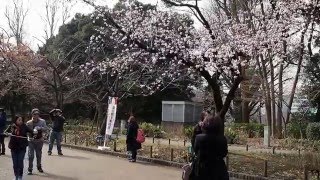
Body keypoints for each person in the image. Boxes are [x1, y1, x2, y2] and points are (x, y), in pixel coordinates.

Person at [192, 115, 229, 180]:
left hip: (202, 169)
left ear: (204, 125)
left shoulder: (199, 138)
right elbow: (224, 153)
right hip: (218, 169)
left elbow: (195, 150)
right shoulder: (222, 139)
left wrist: (197, 128)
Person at [5, 115, 33, 180]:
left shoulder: (25, 126)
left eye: (21, 120)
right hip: (13, 147)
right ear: (16, 120)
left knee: (20, 162)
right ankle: (16, 176)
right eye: (19, 120)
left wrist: (32, 135)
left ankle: (20, 176)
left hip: (22, 148)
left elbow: (32, 132)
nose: (20, 121)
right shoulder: (12, 126)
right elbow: (5, 132)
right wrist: (7, 133)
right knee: (15, 163)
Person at [26, 108, 48, 175]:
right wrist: (28, 137)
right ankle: (30, 169)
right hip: (31, 141)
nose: (36, 115)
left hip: (39, 141)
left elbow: (46, 129)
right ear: (32, 114)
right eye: (35, 114)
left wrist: (40, 128)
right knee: (31, 155)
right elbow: (26, 132)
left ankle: (39, 167)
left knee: (38, 155)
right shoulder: (28, 122)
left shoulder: (42, 121)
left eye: (37, 114)